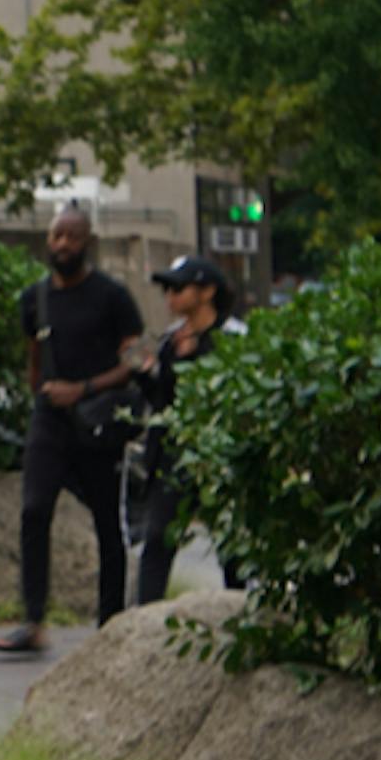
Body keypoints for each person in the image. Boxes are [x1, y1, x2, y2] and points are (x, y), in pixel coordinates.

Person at [0, 204, 142, 655]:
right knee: (34, 510)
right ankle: (33, 620)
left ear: (87, 242)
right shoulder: (34, 298)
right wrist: (41, 393)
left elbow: (133, 360)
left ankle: (110, 622)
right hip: (49, 421)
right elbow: (32, 359)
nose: (61, 244)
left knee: (106, 523)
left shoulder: (112, 297)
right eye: (56, 236)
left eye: (71, 237)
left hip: (97, 422)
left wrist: (84, 389)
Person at [121, 252, 243, 607]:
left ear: (206, 292)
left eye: (178, 288)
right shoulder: (169, 341)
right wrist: (145, 376)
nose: (170, 298)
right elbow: (162, 401)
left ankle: (239, 614)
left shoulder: (233, 338)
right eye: (168, 290)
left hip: (217, 454)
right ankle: (143, 622)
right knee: (158, 538)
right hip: (173, 455)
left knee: (230, 546)